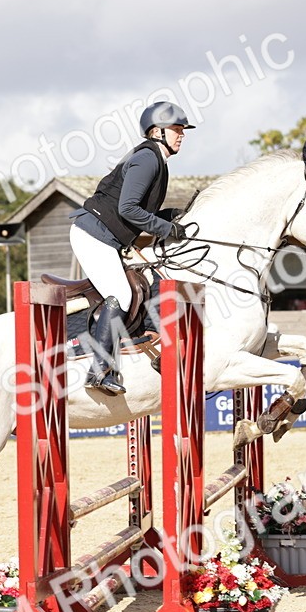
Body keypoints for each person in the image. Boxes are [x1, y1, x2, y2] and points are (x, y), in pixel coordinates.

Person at [68, 100, 196, 395]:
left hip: (105, 236)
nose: (182, 134)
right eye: (176, 128)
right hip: (93, 235)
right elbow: (128, 209)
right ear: (157, 131)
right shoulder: (148, 158)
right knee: (122, 294)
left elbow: (140, 210)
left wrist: (172, 216)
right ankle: (99, 371)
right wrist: (167, 229)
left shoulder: (158, 161)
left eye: (182, 129)